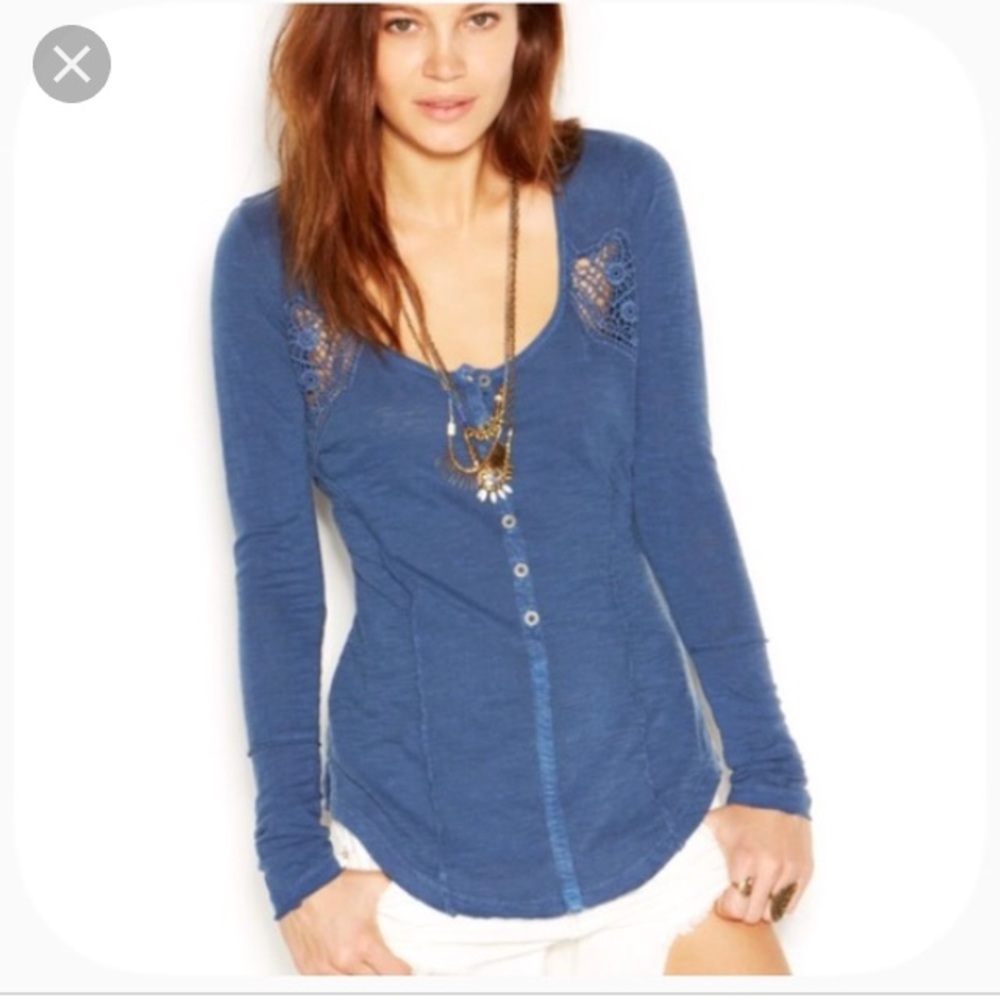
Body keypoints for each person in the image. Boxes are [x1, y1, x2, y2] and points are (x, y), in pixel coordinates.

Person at [210, 2, 813, 977]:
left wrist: (771, 774)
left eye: (481, 16)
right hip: (409, 870)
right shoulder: (269, 256)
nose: (446, 62)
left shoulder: (621, 194)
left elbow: (676, 484)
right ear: (349, 36)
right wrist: (294, 866)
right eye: (403, 24)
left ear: (527, 30)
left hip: (657, 825)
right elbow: (278, 569)